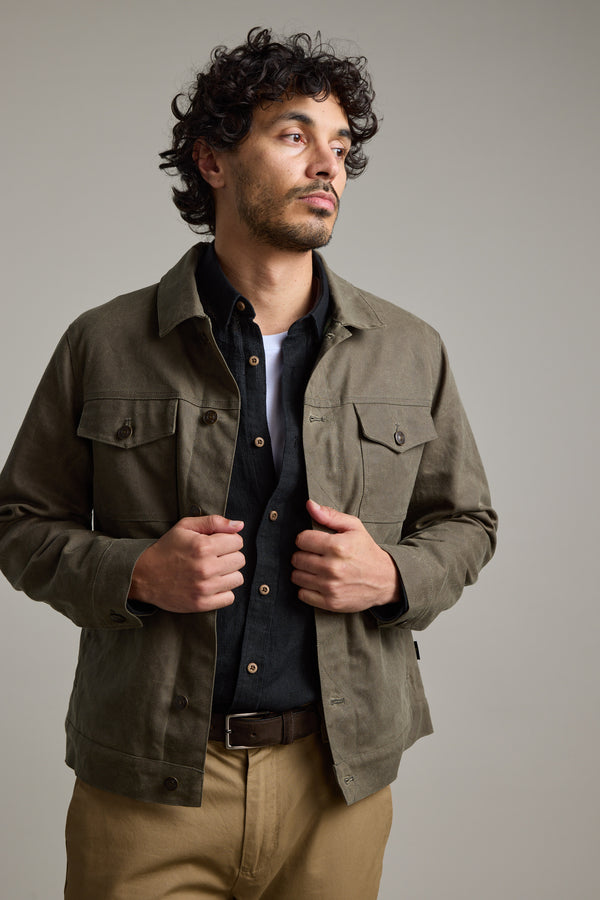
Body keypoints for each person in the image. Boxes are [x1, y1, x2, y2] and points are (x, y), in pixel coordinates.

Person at [0, 27, 497, 900]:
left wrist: (391, 575)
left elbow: (468, 523)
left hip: (335, 784)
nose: (328, 166)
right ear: (214, 160)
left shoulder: (409, 350)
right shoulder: (104, 342)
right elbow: (18, 523)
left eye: (341, 145)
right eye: (295, 134)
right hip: (149, 785)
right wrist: (134, 572)